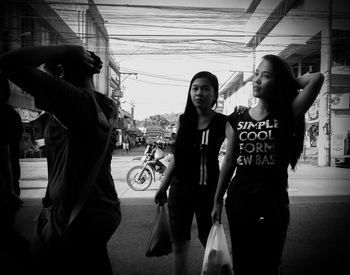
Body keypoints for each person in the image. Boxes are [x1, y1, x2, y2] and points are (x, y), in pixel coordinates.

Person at [0, 45, 121, 275]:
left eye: (47, 74)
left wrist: (68, 49)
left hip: (78, 220)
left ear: (61, 74)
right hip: (97, 211)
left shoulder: (77, 103)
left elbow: (8, 62)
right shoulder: (100, 106)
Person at [211, 54, 324, 275]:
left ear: (278, 82)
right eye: (256, 74)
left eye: (266, 76)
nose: (257, 80)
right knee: (242, 261)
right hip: (239, 199)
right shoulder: (237, 118)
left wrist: (288, 82)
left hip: (273, 202)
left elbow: (317, 78)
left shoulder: (286, 113)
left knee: (269, 263)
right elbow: (229, 161)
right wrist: (217, 201)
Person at [154, 71, 228, 275]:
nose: (199, 93)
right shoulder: (183, 120)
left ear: (215, 94)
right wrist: (163, 186)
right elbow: (177, 156)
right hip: (180, 192)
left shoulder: (223, 122)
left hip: (208, 193)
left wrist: (219, 198)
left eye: (205, 88)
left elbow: (231, 157)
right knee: (179, 244)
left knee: (211, 244)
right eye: (195, 88)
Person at [0, 74, 33, 275]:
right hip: (6, 185)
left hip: (5, 186)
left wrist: (8, 190)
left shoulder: (5, 115)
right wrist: (10, 190)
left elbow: (2, 154)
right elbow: (3, 156)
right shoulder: (9, 114)